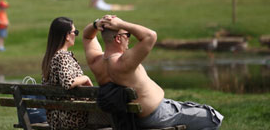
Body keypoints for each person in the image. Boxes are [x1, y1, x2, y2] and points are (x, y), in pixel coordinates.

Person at [82, 16, 223, 130]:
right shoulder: (123, 62)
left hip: (132, 117)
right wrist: (121, 23)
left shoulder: (96, 62)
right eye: (127, 35)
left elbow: (87, 37)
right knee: (211, 118)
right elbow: (150, 35)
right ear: (118, 39)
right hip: (156, 116)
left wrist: (96, 24)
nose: (129, 38)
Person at [41, 17, 93, 129]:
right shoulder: (63, 56)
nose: (76, 35)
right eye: (75, 32)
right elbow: (68, 82)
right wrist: (85, 78)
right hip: (72, 118)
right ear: (67, 35)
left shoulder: (49, 57)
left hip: (54, 117)